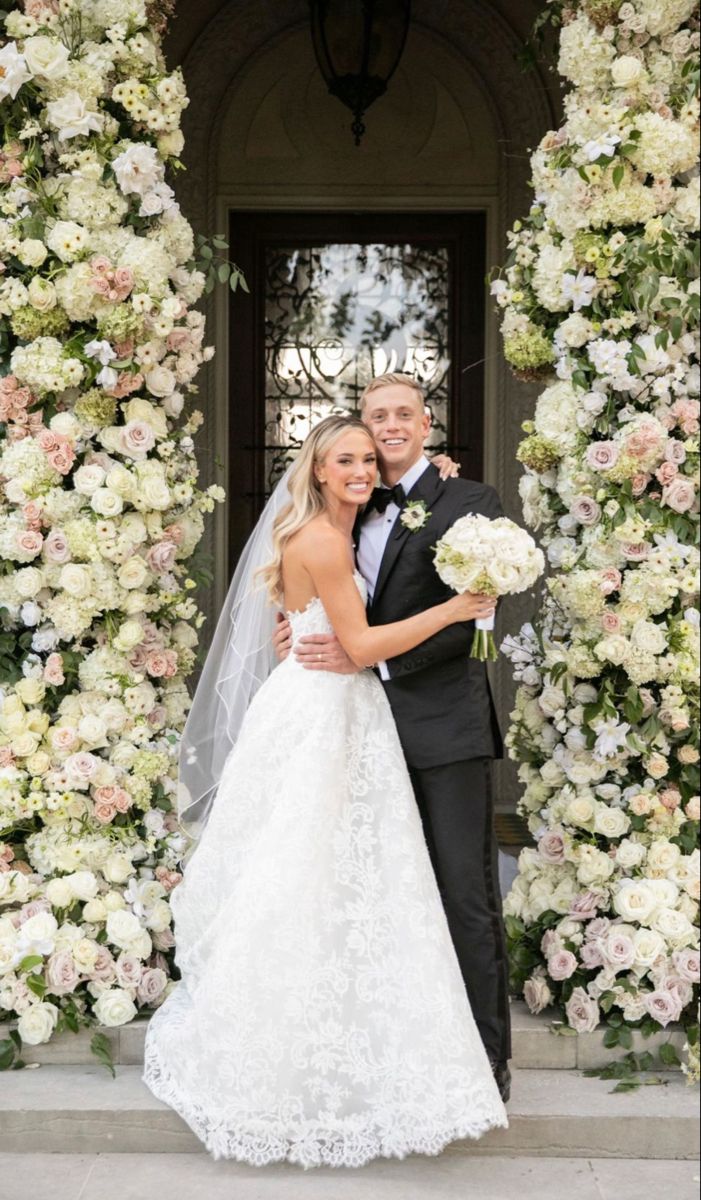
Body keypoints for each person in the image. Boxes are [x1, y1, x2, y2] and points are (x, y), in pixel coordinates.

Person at [143, 414, 508, 1168]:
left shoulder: (322, 527)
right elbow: (364, 643)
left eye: (368, 460)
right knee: (310, 879)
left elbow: (312, 625)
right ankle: (292, 1068)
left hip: (318, 705)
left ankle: (337, 1048)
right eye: (345, 459)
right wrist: (455, 607)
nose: (361, 470)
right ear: (314, 468)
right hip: (325, 714)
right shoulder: (322, 540)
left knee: (328, 883)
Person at [274, 374, 512, 1101]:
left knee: (462, 895)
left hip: (443, 731)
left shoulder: (468, 502)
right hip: (354, 734)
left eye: (404, 413)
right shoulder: (351, 502)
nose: (391, 425)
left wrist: (364, 654)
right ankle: (393, 1054)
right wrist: (300, 629)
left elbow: (473, 618)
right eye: (378, 416)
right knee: (373, 897)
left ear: (427, 421)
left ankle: (484, 1062)